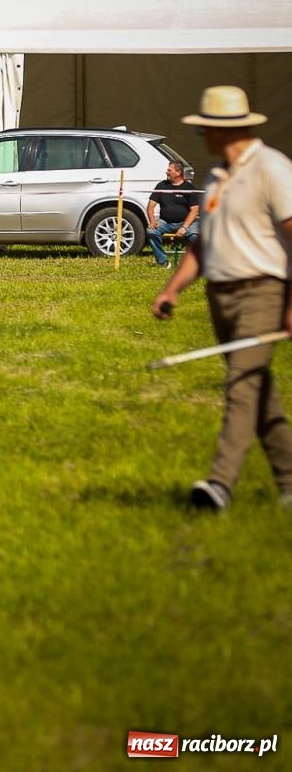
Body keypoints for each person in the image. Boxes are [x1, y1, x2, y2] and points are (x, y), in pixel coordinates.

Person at [153, 86, 292, 513]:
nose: (203, 137)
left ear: (226, 130)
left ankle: (219, 484)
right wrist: (171, 290)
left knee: (241, 387)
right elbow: (203, 246)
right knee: (257, 389)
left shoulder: (271, 168)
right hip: (221, 295)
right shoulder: (217, 177)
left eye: (205, 129)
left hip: (262, 291)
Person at [146, 160, 201, 268]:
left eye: (169, 170)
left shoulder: (189, 188)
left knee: (194, 236)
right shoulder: (161, 185)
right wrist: (152, 221)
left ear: (178, 172)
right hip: (165, 222)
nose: (166, 172)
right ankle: (163, 261)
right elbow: (150, 206)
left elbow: (194, 210)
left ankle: (192, 264)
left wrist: (184, 227)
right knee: (151, 231)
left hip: (186, 223)